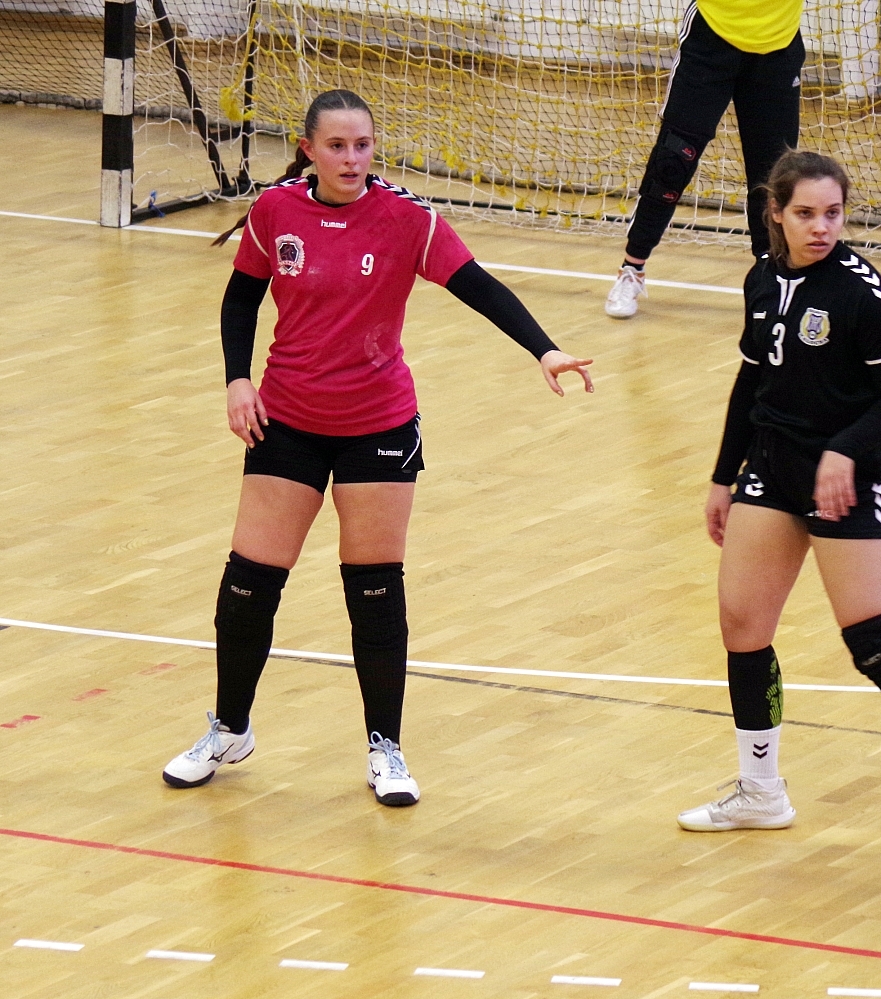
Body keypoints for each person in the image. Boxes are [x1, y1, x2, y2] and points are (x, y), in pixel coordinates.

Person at [161, 89, 594, 806]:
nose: (352, 158)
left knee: (373, 588)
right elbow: (241, 298)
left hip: (378, 426)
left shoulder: (407, 220)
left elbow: (478, 286)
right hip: (287, 420)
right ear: (308, 149)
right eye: (336, 146)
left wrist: (544, 350)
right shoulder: (276, 212)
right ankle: (229, 728)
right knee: (247, 585)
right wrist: (238, 380)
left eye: (362, 145)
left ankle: (385, 747)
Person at [677, 149, 881, 866]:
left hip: (846, 481)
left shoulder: (860, 294)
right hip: (773, 470)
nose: (821, 227)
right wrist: (723, 476)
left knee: (875, 642)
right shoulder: (762, 279)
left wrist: (845, 451)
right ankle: (761, 790)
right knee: (742, 625)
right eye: (806, 214)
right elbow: (750, 382)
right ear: (776, 214)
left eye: (833, 213)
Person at [603, 0, 806, 319]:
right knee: (673, 161)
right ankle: (632, 268)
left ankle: (773, 280)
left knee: (772, 175)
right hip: (711, 37)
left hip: (778, 45)